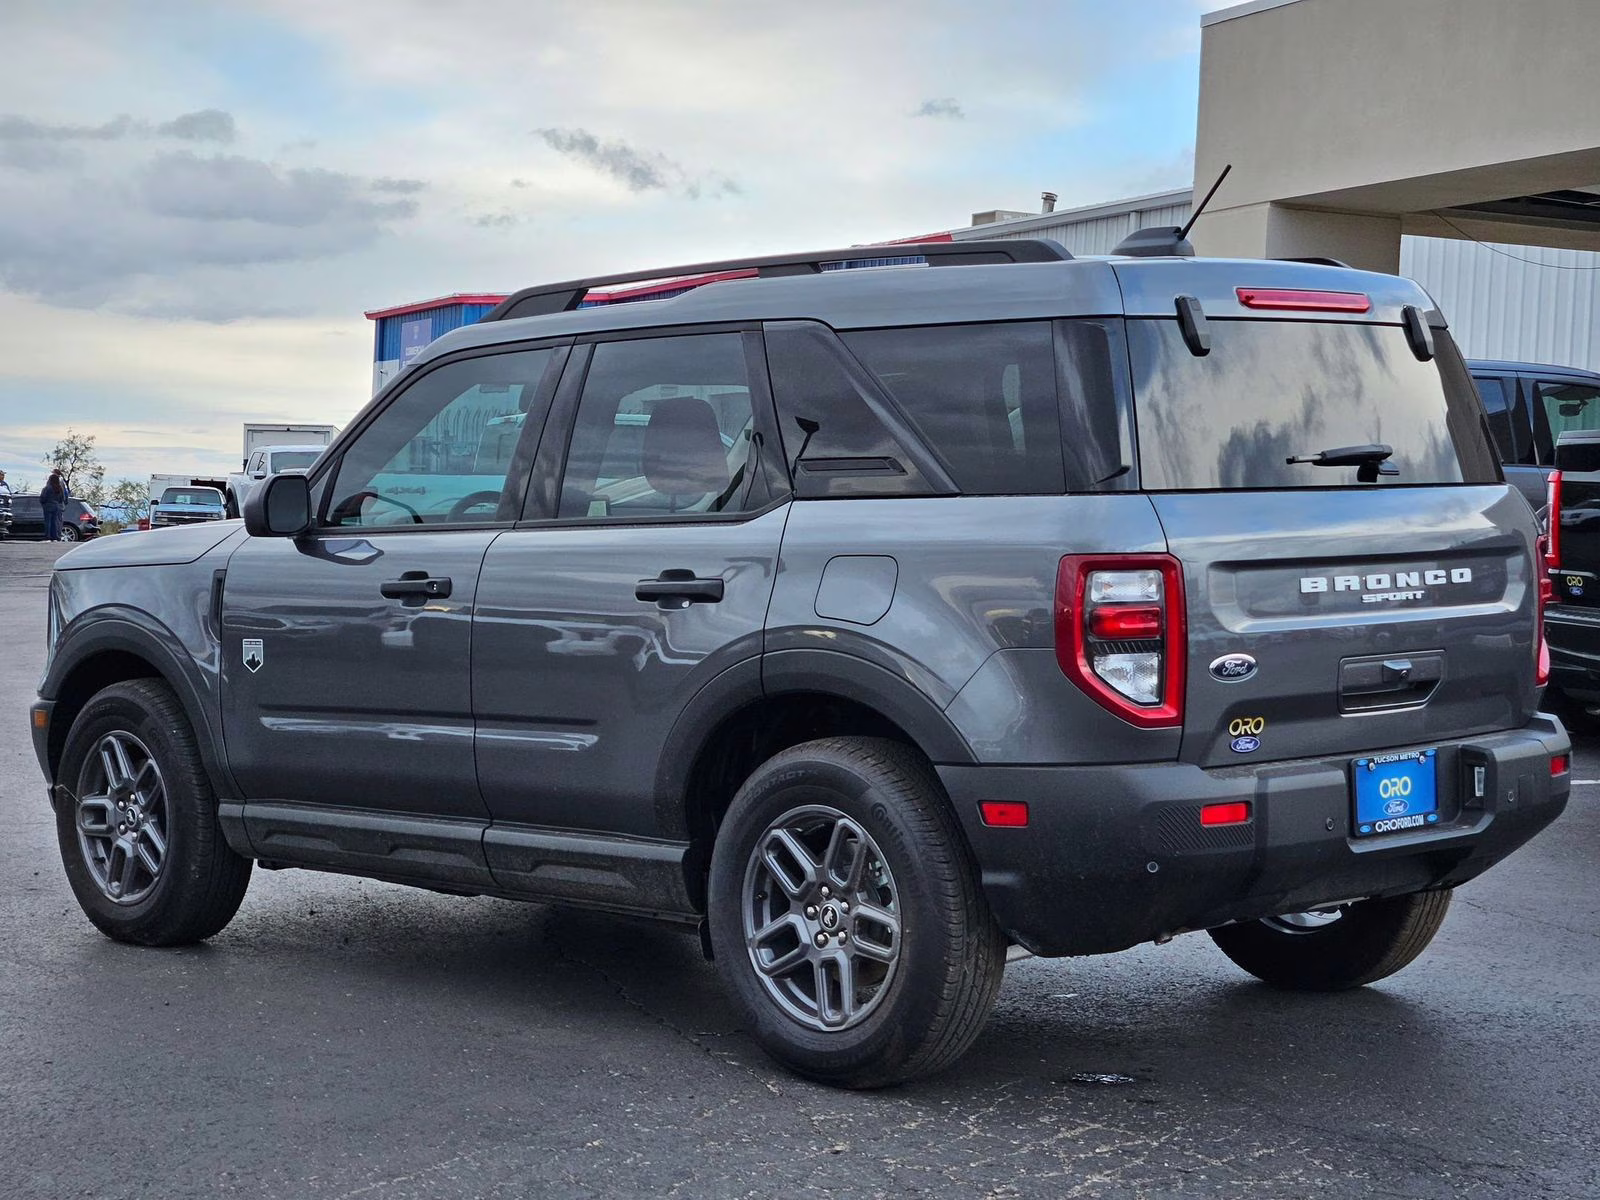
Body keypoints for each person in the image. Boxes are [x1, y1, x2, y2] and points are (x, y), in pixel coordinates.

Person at [40, 470, 68, 542]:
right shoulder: (59, 488)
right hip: (56, 506)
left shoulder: (47, 488)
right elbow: (62, 498)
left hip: (48, 505)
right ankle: (55, 536)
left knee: (48, 522)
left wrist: (43, 503)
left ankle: (48, 536)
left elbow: (43, 497)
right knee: (54, 522)